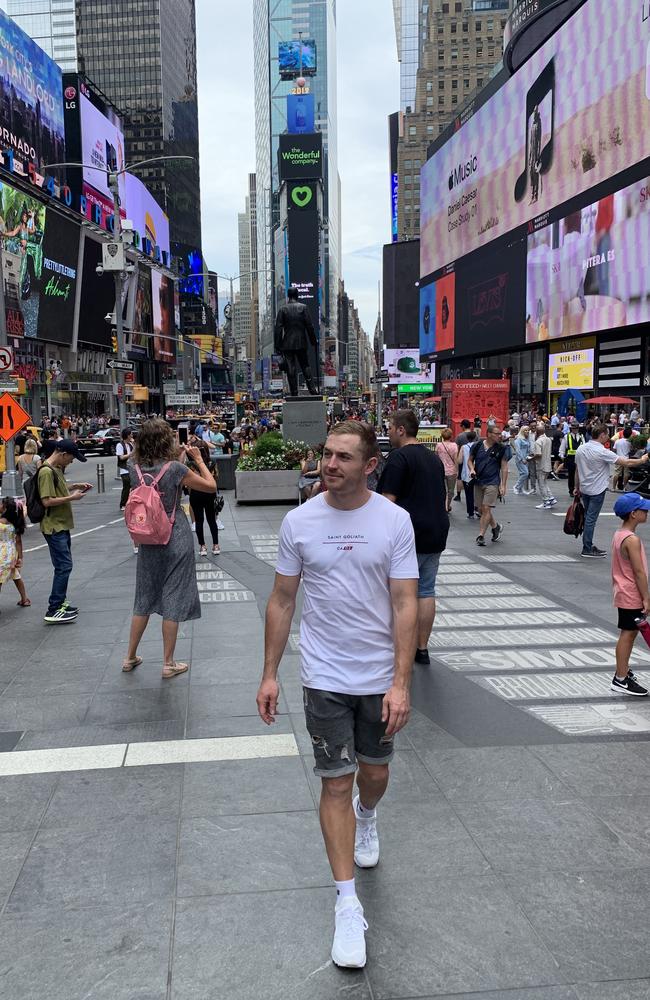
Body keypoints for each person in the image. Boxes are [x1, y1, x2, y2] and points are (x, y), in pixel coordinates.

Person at [256, 420, 418, 970]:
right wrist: (270, 673)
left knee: (373, 774)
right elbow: (281, 600)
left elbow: (405, 604)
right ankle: (347, 904)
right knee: (334, 783)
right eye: (327, 454)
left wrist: (401, 683)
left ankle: (367, 816)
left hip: (378, 679)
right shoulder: (299, 521)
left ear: (370, 464)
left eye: (344, 457)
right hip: (323, 676)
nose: (331, 464)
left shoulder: (394, 521)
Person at [122, 419, 216, 678]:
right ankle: (168, 662)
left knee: (143, 596)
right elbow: (210, 486)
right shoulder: (175, 468)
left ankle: (129, 657)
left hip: (147, 537)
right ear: (167, 440)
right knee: (173, 596)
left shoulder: (133, 466)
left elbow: (146, 472)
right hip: (175, 536)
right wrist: (196, 459)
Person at [379, 409, 449, 665]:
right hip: (437, 530)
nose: (387, 432)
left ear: (400, 429)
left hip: (409, 536)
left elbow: (387, 502)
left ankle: (401, 648)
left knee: (399, 594)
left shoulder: (398, 458)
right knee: (427, 590)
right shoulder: (433, 458)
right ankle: (422, 648)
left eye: (389, 428)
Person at [39, 439, 93, 624]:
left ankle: (60, 603)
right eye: (71, 458)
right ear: (63, 454)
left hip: (61, 524)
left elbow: (58, 490)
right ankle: (54, 608)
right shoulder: (46, 471)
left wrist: (74, 486)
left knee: (63, 565)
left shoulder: (55, 469)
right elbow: (46, 500)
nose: (71, 461)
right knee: (64, 566)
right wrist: (72, 498)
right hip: (54, 526)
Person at [575, 425, 649, 558]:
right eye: (607, 434)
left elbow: (577, 469)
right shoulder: (602, 451)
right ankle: (587, 547)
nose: (608, 437)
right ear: (602, 434)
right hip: (597, 489)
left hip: (585, 488)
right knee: (591, 518)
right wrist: (642, 459)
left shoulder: (581, 448)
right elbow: (626, 462)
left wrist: (576, 487)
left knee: (588, 517)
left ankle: (588, 545)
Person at [610, 493, 650, 696]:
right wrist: (646, 597)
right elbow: (639, 571)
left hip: (623, 592)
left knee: (630, 633)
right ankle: (620, 678)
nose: (647, 512)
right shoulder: (631, 539)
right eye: (644, 509)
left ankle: (623, 672)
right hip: (631, 593)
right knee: (628, 634)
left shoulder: (619, 534)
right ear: (633, 514)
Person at [467, 423, 510, 547]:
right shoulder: (477, 445)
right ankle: (495, 527)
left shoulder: (502, 448)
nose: (499, 436)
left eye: (500, 433)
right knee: (480, 509)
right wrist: (471, 469)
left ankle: (481, 535)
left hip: (492, 482)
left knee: (486, 508)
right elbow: (470, 460)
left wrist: (503, 485)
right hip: (479, 480)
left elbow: (504, 467)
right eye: (497, 434)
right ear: (489, 434)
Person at [274, 286, 318, 396]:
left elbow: (278, 329)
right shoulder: (303, 308)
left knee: (290, 368)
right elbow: (310, 326)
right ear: (297, 295)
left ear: (288, 296)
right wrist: (313, 341)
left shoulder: (283, 309)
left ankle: (294, 392)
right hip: (301, 342)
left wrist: (277, 346)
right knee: (305, 366)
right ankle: (312, 390)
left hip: (287, 344)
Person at [188, 439, 220, 557]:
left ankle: (202, 546)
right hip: (210, 494)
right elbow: (216, 477)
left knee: (199, 521)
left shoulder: (191, 465)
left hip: (196, 494)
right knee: (212, 520)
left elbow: (190, 482)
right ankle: (216, 545)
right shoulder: (212, 463)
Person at [0, 497, 30, 608]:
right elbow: (18, 542)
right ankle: (24, 599)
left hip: (1, 554)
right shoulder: (15, 523)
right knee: (16, 576)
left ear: (5, 508)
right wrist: (20, 557)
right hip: (11, 554)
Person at [434, 429, 459, 513]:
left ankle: (442, 506)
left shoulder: (438, 445)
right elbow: (456, 459)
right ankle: (447, 506)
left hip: (440, 470)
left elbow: (436, 458)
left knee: (441, 489)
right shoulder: (454, 445)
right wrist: (457, 470)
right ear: (451, 436)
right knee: (450, 490)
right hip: (452, 471)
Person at [533, 424, 557, 510]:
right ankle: (551, 498)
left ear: (537, 432)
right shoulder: (548, 440)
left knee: (541, 484)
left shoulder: (538, 442)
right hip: (548, 464)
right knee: (544, 482)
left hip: (541, 465)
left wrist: (531, 458)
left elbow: (538, 454)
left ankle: (546, 501)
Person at [559, 424, 584, 497]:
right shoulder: (567, 436)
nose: (575, 430)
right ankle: (571, 490)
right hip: (570, 458)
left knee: (580, 474)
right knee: (571, 475)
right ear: (571, 429)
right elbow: (563, 447)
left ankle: (580, 490)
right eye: (574, 428)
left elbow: (585, 446)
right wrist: (561, 455)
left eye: (576, 428)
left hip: (580, 458)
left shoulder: (581, 436)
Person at [453, 419, 472, 503]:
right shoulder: (475, 435)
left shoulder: (460, 436)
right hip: (472, 459)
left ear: (463, 426)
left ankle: (458, 495)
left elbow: (456, 449)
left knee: (459, 477)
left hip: (462, 458)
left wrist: (456, 461)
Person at [460, 429, 477, 517]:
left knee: (468, 494)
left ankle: (470, 513)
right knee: (478, 492)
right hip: (478, 472)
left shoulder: (463, 447)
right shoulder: (478, 446)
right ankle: (478, 509)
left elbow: (459, 461)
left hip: (466, 473)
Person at [116, 428, 135, 511]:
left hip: (132, 468)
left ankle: (131, 502)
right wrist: (130, 454)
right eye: (131, 434)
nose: (132, 435)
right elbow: (121, 457)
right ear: (127, 435)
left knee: (134, 486)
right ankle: (123, 504)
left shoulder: (131, 444)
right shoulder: (120, 445)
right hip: (124, 469)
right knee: (126, 486)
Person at [513, 425, 532, 495]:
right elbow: (518, 450)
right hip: (520, 459)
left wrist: (528, 457)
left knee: (523, 473)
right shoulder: (518, 439)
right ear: (522, 431)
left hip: (526, 459)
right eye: (525, 430)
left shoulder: (527, 439)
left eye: (527, 430)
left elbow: (528, 449)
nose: (527, 431)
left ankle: (520, 489)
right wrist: (522, 459)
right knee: (525, 473)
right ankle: (516, 487)